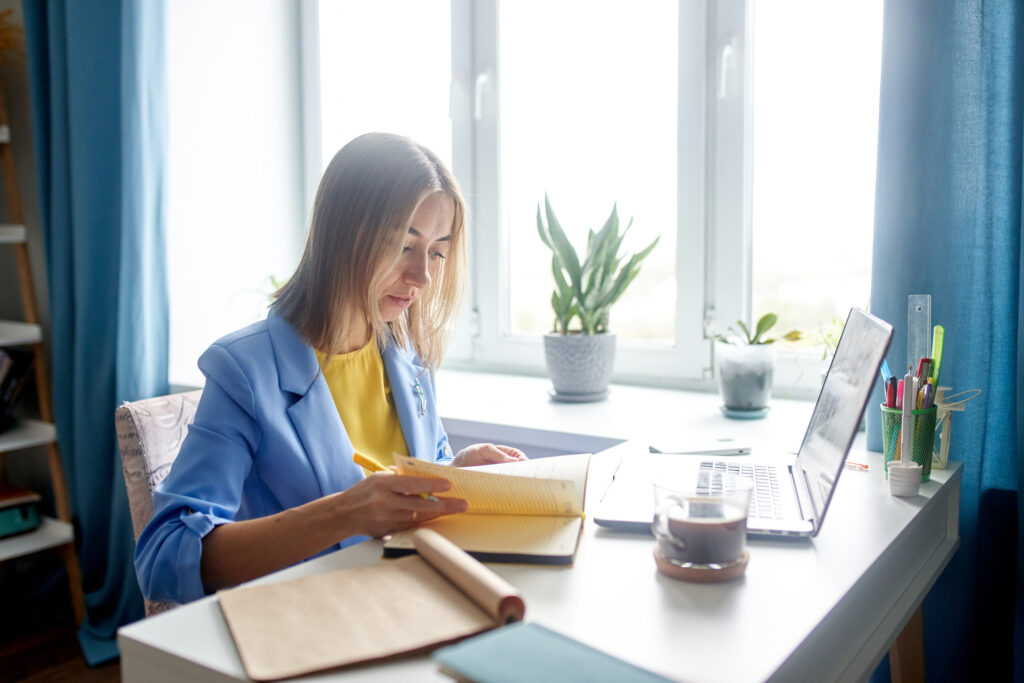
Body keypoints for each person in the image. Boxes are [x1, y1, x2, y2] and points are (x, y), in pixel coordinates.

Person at [135, 133, 526, 604]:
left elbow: (408, 476)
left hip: (409, 596)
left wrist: (455, 471)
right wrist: (344, 513)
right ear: (343, 237)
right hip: (312, 614)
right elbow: (162, 557)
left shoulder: (406, 352)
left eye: (437, 252)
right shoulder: (244, 370)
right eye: (403, 246)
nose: (422, 276)